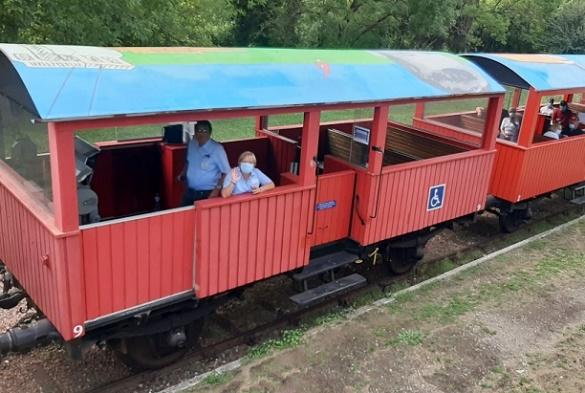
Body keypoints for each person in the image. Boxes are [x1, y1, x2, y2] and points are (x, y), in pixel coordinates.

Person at [178, 120, 231, 206]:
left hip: (207, 193)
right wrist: (183, 173)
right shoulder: (192, 144)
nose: (201, 133)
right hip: (190, 190)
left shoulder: (217, 149)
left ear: (210, 133)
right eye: (199, 130)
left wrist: (216, 191)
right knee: (182, 215)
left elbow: (227, 172)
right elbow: (188, 162)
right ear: (195, 131)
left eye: (205, 130)